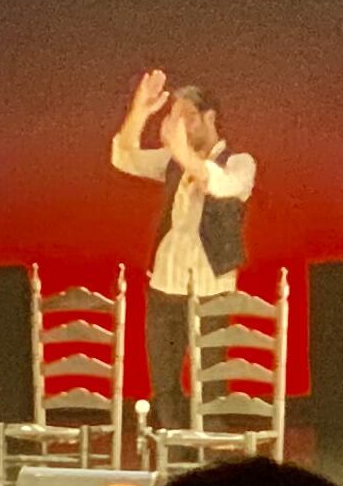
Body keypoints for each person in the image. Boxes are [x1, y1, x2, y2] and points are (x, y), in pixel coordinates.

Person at [107, 67, 257, 427]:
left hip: (211, 291)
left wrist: (181, 151)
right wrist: (139, 111)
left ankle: (213, 466)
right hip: (165, 288)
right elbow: (124, 157)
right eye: (174, 119)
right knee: (165, 388)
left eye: (188, 117)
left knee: (211, 386)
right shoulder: (173, 161)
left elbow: (218, 184)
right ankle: (171, 462)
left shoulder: (239, 163)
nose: (180, 127)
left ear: (210, 117)